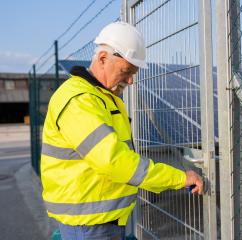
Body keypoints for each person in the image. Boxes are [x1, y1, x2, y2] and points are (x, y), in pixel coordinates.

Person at [40, 21, 203, 240]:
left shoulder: (102, 96)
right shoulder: (80, 101)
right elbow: (114, 161)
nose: (130, 81)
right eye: (126, 71)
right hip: (90, 227)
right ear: (103, 58)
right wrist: (179, 178)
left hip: (97, 222)